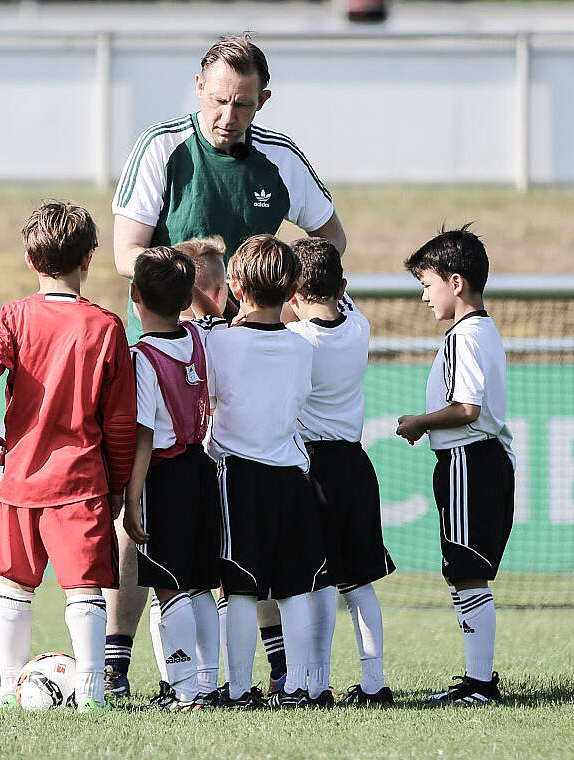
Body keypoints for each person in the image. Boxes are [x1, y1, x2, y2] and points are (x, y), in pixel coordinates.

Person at [106, 33, 346, 695]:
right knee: (144, 516)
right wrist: (201, 282)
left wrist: (278, 295)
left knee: (246, 512)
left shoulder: (280, 158)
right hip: (170, 363)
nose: (227, 116)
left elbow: (332, 240)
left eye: (242, 105)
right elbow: (127, 253)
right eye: (217, 101)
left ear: (262, 100)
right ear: (198, 89)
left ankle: (271, 668)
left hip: (246, 363)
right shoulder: (163, 146)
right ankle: (117, 663)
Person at [0, 201, 137, 712]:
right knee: (84, 591)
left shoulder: (12, 317)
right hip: (82, 483)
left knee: (14, 586)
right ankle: (93, 693)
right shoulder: (105, 327)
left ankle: (12, 688)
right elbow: (121, 421)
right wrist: (119, 481)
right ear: (90, 259)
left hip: (20, 481)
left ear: (30, 260)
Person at [208, 234, 332, 709]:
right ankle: (298, 686)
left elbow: (212, 399)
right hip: (292, 477)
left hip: (240, 477)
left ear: (236, 286)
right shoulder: (302, 347)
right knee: (294, 587)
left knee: (239, 589)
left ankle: (239, 689)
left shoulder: (220, 343)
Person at [395, 225, 515, 705]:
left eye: (428, 285)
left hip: (469, 458)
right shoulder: (481, 330)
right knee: (463, 569)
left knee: (465, 570)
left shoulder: (465, 336)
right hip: (474, 459)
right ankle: (477, 678)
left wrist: (421, 422)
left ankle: (480, 683)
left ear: (456, 282)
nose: (425, 297)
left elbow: (466, 408)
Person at [285, 237, 396, 707]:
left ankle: (316, 685)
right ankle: (374, 684)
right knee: (359, 581)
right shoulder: (361, 328)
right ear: (342, 286)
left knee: (318, 582)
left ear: (292, 292)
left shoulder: (295, 342)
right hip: (355, 462)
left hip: (313, 467)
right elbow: (339, 299)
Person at [121, 247, 222, 711]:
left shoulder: (141, 357)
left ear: (135, 295)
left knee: (169, 586)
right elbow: (210, 311)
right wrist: (194, 290)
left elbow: (143, 435)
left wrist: (133, 497)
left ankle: (182, 690)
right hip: (203, 469)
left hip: (165, 476)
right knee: (201, 582)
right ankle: (207, 683)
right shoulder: (201, 338)